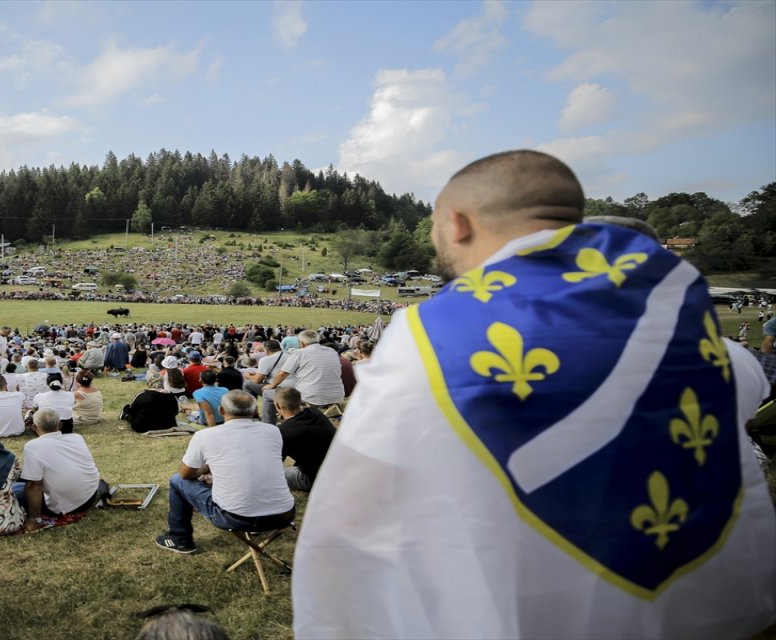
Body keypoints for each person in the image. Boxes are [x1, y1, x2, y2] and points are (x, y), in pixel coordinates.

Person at [293, 150, 776, 638]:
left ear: (455, 223)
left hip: (533, 606)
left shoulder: (428, 337)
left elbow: (354, 511)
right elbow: (747, 387)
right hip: (708, 607)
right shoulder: (691, 325)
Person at [154, 391, 294, 555]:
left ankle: (180, 539)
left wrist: (203, 470)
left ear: (221, 411)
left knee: (177, 480)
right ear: (255, 411)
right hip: (284, 514)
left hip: (235, 517)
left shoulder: (205, 435)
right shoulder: (273, 431)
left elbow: (185, 474)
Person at [15, 409, 102, 532]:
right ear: (60, 424)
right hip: (90, 496)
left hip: (67, 506)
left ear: (34, 427)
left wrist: (34, 519)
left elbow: (34, 486)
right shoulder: (77, 437)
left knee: (15, 490)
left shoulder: (32, 446)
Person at [273, 387, 335, 492]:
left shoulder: (283, 431)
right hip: (338, 469)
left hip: (314, 479)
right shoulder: (316, 412)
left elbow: (274, 464)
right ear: (300, 401)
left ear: (278, 406)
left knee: (269, 475)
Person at [263, 329, 344, 409]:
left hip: (310, 397)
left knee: (267, 392)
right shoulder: (332, 351)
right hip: (336, 396)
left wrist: (272, 385)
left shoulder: (299, 353)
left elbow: (282, 374)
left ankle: (270, 421)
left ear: (302, 343)